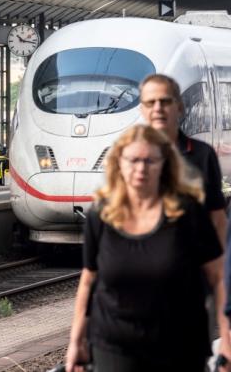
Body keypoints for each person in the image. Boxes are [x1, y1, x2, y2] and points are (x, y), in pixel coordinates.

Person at [65, 125, 230, 372]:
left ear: (165, 164)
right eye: (133, 160)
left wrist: (226, 340)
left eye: (149, 160)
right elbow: (89, 280)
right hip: (114, 346)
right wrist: (76, 340)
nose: (141, 168)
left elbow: (218, 278)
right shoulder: (101, 215)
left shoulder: (188, 214)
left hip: (180, 345)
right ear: (119, 163)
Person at [139, 74, 226, 245]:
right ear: (141, 110)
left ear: (180, 107)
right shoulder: (127, 155)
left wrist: (220, 267)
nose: (158, 108)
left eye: (165, 101)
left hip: (192, 262)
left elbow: (217, 217)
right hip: (141, 261)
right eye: (150, 102)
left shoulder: (203, 155)